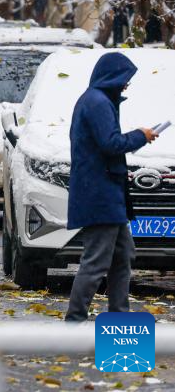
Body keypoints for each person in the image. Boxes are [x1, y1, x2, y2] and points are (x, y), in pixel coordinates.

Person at [65, 52, 157, 322]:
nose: (126, 85)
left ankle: (120, 317)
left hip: (108, 196)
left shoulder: (98, 100)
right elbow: (111, 143)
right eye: (124, 79)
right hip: (100, 196)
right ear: (112, 77)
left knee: (122, 257)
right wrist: (141, 135)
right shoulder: (97, 102)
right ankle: (74, 323)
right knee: (95, 264)